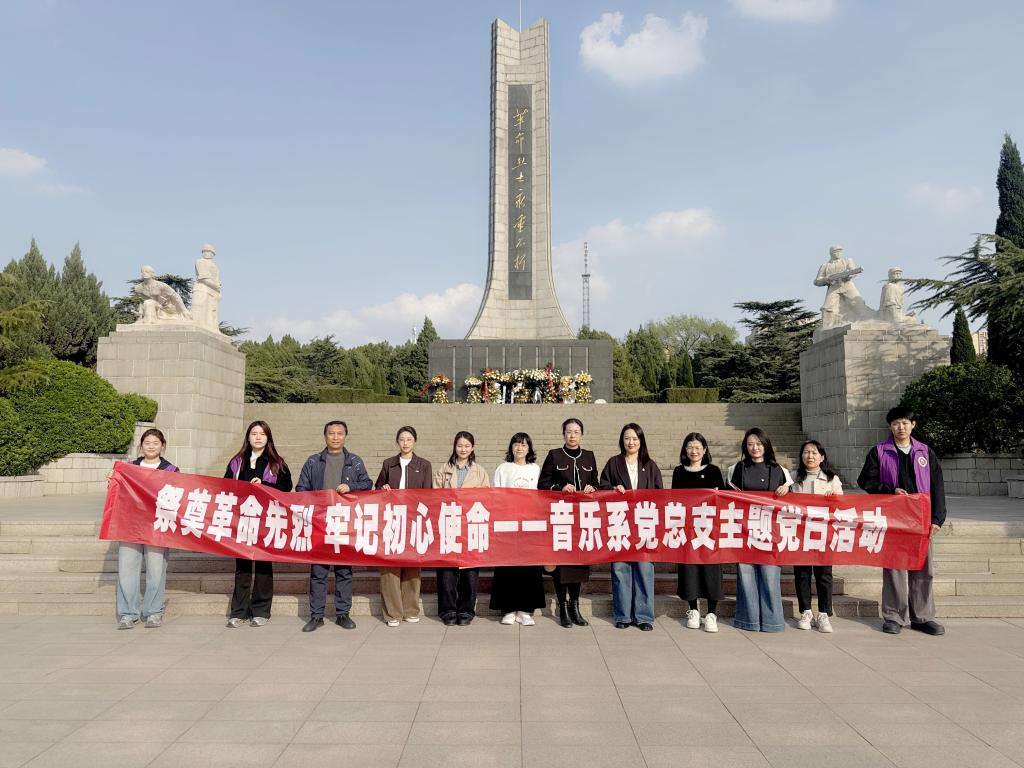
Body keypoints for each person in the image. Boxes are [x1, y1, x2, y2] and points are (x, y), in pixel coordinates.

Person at [858, 407, 946, 636]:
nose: (901, 427)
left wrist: (937, 518)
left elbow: (938, 486)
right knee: (894, 568)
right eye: (896, 423)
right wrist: (888, 490)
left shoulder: (925, 452)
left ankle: (923, 617)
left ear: (913, 425)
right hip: (893, 519)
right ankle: (894, 616)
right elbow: (865, 480)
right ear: (890, 426)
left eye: (905, 422)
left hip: (921, 518)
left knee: (923, 569)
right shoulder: (879, 451)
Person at [296, 420, 372, 633]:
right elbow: (301, 487)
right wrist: (316, 496)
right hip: (319, 524)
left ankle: (342, 614)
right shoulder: (313, 461)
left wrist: (351, 486)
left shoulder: (354, 461)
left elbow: (367, 484)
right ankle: (316, 615)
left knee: (344, 571)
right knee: (318, 572)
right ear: (325, 436)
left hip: (344, 524)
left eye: (339, 433)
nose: (335, 437)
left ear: (345, 436)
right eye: (331, 433)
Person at [224, 420, 292, 627]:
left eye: (262, 434)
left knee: (263, 565)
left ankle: (261, 610)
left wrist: (266, 485)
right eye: (254, 433)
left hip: (265, 521)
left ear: (268, 438)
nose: (258, 437)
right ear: (248, 437)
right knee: (242, 567)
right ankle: (238, 611)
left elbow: (287, 486)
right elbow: (225, 485)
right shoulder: (237, 462)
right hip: (242, 520)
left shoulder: (276, 462)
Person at [726, 427, 793, 633]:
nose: (755, 448)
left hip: (769, 531)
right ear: (745, 447)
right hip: (744, 530)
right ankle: (749, 620)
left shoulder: (779, 470)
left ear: (766, 445)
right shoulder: (736, 469)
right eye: (750, 444)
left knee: (770, 575)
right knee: (746, 575)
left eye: (758, 443)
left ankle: (772, 622)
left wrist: (787, 490)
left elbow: (793, 502)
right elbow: (729, 498)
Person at [111, 428, 179, 630]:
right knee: (126, 569)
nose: (151, 446)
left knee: (156, 571)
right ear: (141, 446)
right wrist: (112, 480)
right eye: (147, 443)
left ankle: (153, 612)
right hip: (130, 525)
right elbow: (118, 492)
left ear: (162, 445)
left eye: (155, 443)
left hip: (157, 526)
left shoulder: (171, 470)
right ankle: (128, 613)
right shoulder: (128, 468)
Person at [600, 423, 662, 631]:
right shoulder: (613, 463)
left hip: (644, 524)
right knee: (621, 569)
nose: (631, 442)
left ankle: (644, 616)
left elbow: (659, 494)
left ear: (641, 441)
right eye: (627, 438)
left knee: (645, 570)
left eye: (635, 438)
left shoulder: (650, 465)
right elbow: (602, 486)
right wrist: (612, 488)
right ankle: (623, 615)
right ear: (622, 441)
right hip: (620, 523)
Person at [539, 417, 598, 628]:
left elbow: (596, 483)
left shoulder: (589, 457)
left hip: (582, 518)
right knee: (561, 564)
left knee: (579, 563)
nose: (572, 435)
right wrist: (559, 488)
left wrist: (593, 488)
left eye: (576, 432)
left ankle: (575, 606)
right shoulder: (554, 455)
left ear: (581, 434)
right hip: (561, 517)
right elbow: (543, 484)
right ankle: (563, 607)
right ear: (563, 434)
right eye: (568, 432)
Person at [375, 426, 432, 626]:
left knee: (412, 567)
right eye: (402, 439)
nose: (405, 443)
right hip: (391, 521)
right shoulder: (388, 464)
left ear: (414, 441)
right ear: (397, 442)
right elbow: (377, 487)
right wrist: (383, 488)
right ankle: (392, 613)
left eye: (409, 439)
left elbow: (428, 493)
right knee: (389, 567)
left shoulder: (424, 465)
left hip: (414, 521)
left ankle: (410, 610)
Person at [671, 432, 726, 633]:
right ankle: (693, 609)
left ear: (704, 450)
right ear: (685, 450)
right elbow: (674, 500)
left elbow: (722, 498)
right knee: (689, 570)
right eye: (690, 447)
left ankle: (711, 613)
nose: (693, 451)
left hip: (710, 529)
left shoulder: (713, 471)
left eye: (697, 447)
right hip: (687, 529)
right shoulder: (679, 472)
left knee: (711, 570)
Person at [433, 431, 489, 626]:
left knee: (470, 573)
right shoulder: (443, 470)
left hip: (471, 526)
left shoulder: (480, 471)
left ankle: (466, 610)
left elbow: (487, 499)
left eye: (467, 446)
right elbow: (435, 496)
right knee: (447, 572)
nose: (463, 449)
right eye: (460, 446)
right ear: (454, 447)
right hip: (449, 525)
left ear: (472, 448)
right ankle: (447, 610)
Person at [490, 433, 545, 626]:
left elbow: (541, 495)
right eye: (516, 444)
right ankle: (507, 609)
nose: (519, 448)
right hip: (508, 524)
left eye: (523, 445)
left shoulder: (535, 469)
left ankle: (525, 610)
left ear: (529, 448)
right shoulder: (503, 469)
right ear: (511, 447)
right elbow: (496, 495)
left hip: (530, 525)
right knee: (508, 567)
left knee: (528, 568)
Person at [788, 440, 843, 633]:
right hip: (800, 534)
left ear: (822, 457)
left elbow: (843, 507)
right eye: (806, 452)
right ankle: (805, 612)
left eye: (814, 452)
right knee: (802, 574)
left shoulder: (832, 479)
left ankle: (824, 614)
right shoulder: (792, 478)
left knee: (824, 575)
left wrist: (834, 500)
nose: (810, 456)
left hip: (823, 534)